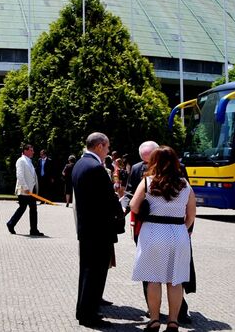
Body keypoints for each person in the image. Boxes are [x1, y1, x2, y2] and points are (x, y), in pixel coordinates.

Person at [130, 146, 197, 332]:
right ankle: (174, 322)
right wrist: (182, 227)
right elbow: (192, 214)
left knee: (153, 279)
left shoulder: (148, 181)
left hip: (153, 231)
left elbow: (134, 206)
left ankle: (154, 320)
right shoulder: (185, 184)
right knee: (175, 281)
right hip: (178, 232)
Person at [72, 133, 124, 328]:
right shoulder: (95, 168)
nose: (109, 151)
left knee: (86, 272)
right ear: (100, 146)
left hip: (87, 228)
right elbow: (107, 199)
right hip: (98, 229)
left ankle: (83, 310)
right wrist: (120, 211)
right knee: (95, 274)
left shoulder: (80, 163)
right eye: (108, 147)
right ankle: (89, 315)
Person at [6, 144, 42, 235]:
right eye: (31, 150)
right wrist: (26, 188)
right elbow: (20, 175)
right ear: (25, 151)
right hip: (24, 190)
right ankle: (11, 223)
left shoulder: (29, 161)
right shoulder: (21, 161)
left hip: (30, 190)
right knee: (23, 208)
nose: (33, 152)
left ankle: (33, 229)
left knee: (32, 208)